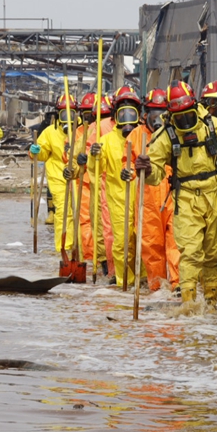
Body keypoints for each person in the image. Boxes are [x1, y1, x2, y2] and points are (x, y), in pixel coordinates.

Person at [134, 81, 217, 309]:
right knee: (191, 253)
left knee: (214, 254)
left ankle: (211, 304)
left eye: (188, 115)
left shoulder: (214, 127)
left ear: (195, 108)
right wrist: (146, 170)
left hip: (215, 195)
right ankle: (189, 306)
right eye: (179, 117)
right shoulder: (165, 136)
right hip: (185, 197)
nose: (185, 122)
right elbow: (155, 173)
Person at [123, 89, 180, 293]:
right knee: (151, 246)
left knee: (176, 243)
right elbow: (127, 163)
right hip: (147, 199)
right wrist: (129, 172)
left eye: (161, 113)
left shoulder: (173, 132)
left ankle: (178, 286)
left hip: (172, 194)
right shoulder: (136, 136)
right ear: (145, 114)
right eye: (154, 113)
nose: (157, 118)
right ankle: (157, 289)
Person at [90, 86, 141, 286]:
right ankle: (124, 280)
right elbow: (97, 169)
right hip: (118, 198)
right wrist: (95, 155)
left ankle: (144, 279)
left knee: (143, 241)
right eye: (122, 111)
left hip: (142, 197)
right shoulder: (106, 141)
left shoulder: (143, 136)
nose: (127, 116)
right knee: (121, 243)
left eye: (131, 111)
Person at [74, 91, 115, 279]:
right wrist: (80, 161)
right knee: (99, 227)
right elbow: (77, 156)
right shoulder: (91, 130)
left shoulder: (128, 129)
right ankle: (103, 264)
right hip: (96, 183)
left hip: (116, 183)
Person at [31, 94, 78, 256]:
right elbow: (42, 154)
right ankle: (64, 248)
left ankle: (82, 250)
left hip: (79, 179)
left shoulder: (82, 131)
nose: (68, 118)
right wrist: (36, 151)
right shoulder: (50, 132)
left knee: (81, 213)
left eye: (71, 114)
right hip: (58, 178)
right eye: (64, 114)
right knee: (64, 213)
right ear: (58, 114)